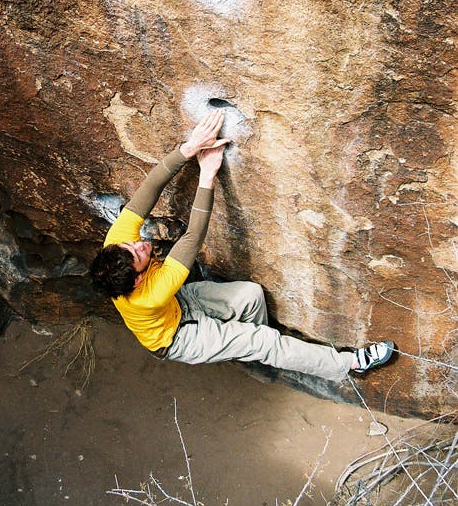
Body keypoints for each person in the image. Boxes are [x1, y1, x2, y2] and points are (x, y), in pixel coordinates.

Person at [90, 112, 395, 381]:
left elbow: (149, 188)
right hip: (180, 337)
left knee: (251, 296)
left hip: (180, 303)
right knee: (262, 342)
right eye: (138, 255)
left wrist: (189, 148)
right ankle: (350, 364)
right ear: (140, 279)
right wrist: (207, 175)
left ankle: (254, 351)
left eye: (131, 245)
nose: (140, 244)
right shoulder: (151, 296)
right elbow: (193, 237)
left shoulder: (116, 246)